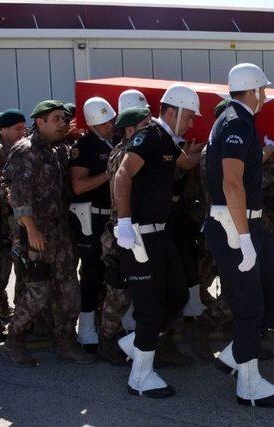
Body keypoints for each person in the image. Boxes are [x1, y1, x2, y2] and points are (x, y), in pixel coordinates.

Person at [205, 63, 274, 408]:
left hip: (247, 223)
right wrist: (242, 239)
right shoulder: (236, 121)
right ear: (253, 90)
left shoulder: (236, 119)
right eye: (264, 91)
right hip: (233, 225)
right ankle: (249, 384)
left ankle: (234, 354)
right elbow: (231, 182)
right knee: (249, 305)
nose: (266, 97)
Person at [113, 84, 203, 398]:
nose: (192, 123)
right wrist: (124, 222)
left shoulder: (166, 139)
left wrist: (207, 147)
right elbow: (123, 174)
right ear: (173, 111)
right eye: (189, 116)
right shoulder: (149, 136)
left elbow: (184, 163)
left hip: (160, 234)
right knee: (150, 308)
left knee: (178, 295)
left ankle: (134, 343)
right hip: (138, 236)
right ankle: (140, 376)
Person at [0, 100, 95, 367]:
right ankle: (14, 341)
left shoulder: (58, 151)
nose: (63, 124)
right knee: (37, 291)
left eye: (65, 119)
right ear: (39, 122)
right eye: (57, 119)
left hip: (60, 230)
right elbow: (17, 195)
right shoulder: (25, 151)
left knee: (68, 289)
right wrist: (31, 229)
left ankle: (65, 341)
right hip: (36, 232)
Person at [97, 105, 150, 365]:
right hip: (121, 230)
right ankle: (106, 341)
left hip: (129, 229)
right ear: (130, 129)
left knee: (126, 289)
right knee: (117, 291)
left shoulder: (128, 150)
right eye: (144, 125)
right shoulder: (125, 153)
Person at [69, 97, 118, 351]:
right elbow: (78, 185)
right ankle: (86, 327)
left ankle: (108, 322)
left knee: (114, 270)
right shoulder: (84, 146)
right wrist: (110, 173)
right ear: (92, 124)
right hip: (92, 216)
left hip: (113, 215)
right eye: (104, 121)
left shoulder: (116, 141)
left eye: (111, 119)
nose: (110, 124)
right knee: (91, 271)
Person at [0, 109, 27, 341]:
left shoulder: (22, 151)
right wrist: (9, 200)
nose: (23, 132)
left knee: (17, 269)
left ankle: (3, 316)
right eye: (18, 128)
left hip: (16, 222)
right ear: (3, 129)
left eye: (23, 127)